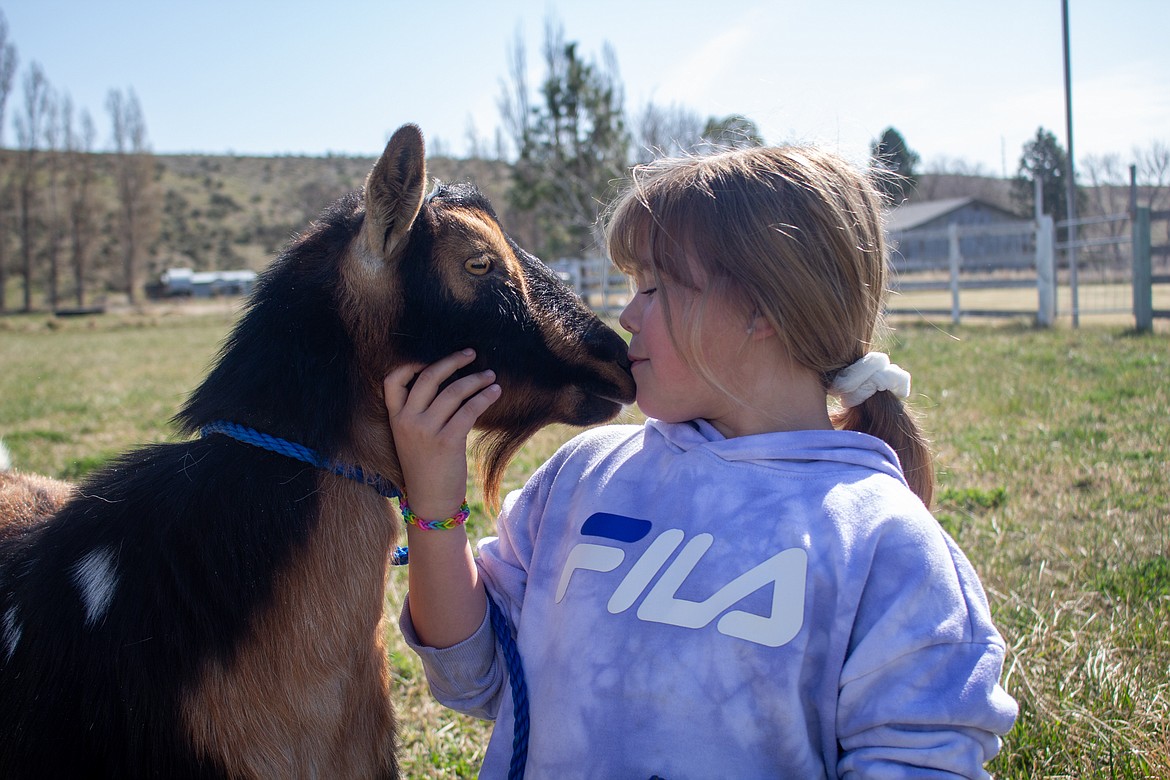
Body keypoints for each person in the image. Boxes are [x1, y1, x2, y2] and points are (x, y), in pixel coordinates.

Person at [384, 145, 1018, 778]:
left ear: (763, 308)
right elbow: (471, 675)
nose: (628, 313)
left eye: (655, 287)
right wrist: (436, 504)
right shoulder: (582, 477)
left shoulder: (885, 543)